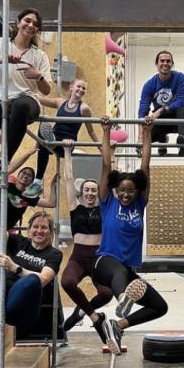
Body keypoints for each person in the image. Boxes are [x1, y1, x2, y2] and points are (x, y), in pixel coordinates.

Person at [93, 115, 168, 354]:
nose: (126, 195)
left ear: (137, 192)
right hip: (104, 262)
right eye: (122, 191)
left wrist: (147, 133)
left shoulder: (139, 205)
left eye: (131, 191)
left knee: (159, 306)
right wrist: (105, 131)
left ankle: (119, 324)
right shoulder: (108, 203)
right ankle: (123, 299)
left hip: (126, 270)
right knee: (117, 269)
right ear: (116, 190)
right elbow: (106, 165)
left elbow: (145, 166)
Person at [0, 8, 52, 177]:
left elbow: (47, 90)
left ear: (38, 30)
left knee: (21, 104)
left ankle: (3, 161)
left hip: (27, 102)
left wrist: (39, 76)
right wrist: (4, 58)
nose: (30, 25)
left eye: (35, 24)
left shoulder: (40, 55)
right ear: (18, 23)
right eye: (27, 20)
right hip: (1, 101)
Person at [0, 205, 63, 333]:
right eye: (35, 227)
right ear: (29, 229)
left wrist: (15, 268)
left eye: (44, 227)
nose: (39, 231)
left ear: (50, 232)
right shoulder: (19, 241)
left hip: (23, 308)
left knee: (32, 279)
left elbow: (43, 279)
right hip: (2, 299)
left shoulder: (54, 254)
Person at [60, 139, 114, 342]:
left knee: (106, 294)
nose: (90, 193)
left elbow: (109, 178)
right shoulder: (75, 207)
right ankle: (94, 316)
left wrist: (111, 153)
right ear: (82, 192)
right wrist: (67, 151)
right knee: (67, 281)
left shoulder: (104, 208)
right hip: (79, 255)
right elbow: (68, 178)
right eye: (87, 190)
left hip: (99, 257)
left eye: (93, 190)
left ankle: (80, 313)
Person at [33, 79, 100, 192]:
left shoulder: (84, 109)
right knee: (43, 126)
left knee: (46, 141)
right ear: (71, 87)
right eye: (79, 86)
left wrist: (100, 147)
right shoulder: (60, 102)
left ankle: (50, 142)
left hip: (67, 144)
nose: (81, 89)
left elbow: (91, 131)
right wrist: (28, 90)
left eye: (84, 88)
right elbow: (39, 99)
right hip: (54, 137)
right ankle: (38, 181)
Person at [0, 148, 56, 230]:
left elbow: (51, 203)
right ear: (18, 176)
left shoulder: (29, 196)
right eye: (24, 173)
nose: (25, 176)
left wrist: (53, 184)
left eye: (29, 175)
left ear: (31, 181)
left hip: (2, 230)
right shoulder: (7, 185)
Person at [138, 50, 184, 157]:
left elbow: (182, 101)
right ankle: (162, 141)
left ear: (172, 64)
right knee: (146, 136)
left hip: (175, 118)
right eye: (162, 61)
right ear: (157, 64)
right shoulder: (150, 84)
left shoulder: (180, 78)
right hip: (159, 120)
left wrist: (162, 110)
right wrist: (140, 138)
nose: (165, 63)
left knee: (183, 112)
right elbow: (143, 109)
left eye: (168, 61)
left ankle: (182, 144)